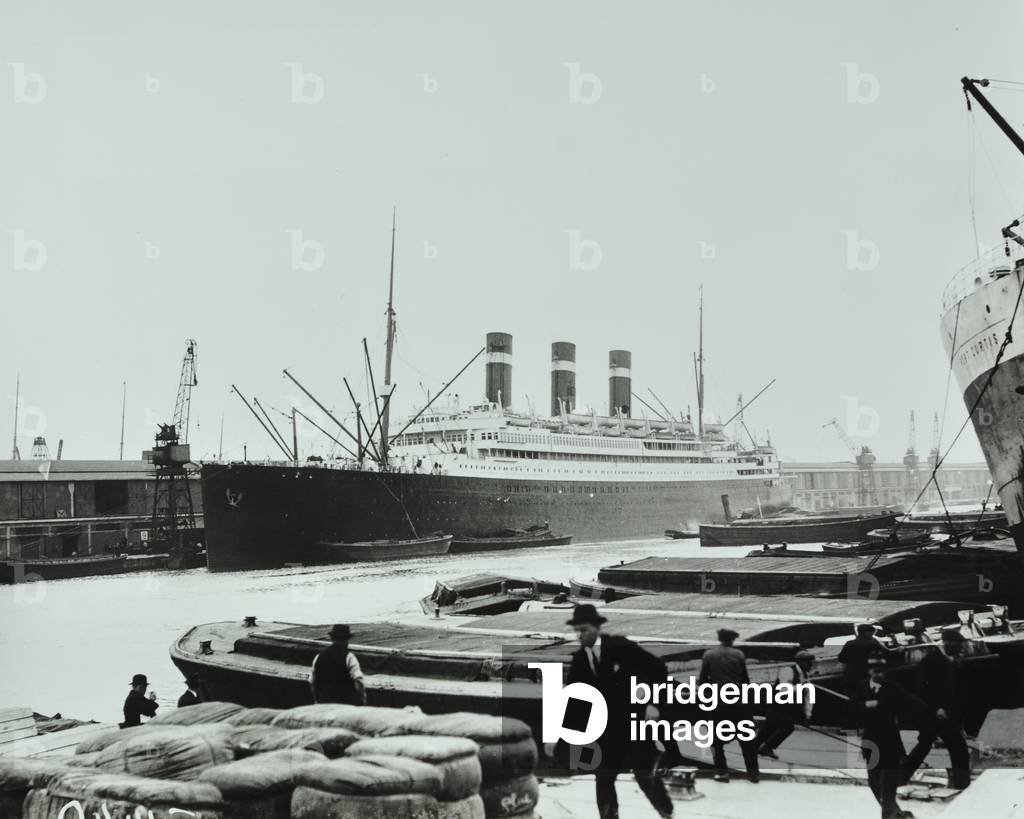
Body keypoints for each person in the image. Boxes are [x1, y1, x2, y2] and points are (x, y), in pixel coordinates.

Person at [563, 604, 674, 819]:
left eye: (583, 629)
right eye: (576, 630)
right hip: (606, 731)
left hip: (633, 723)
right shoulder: (579, 660)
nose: (579, 634)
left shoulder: (620, 646)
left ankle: (667, 813)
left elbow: (657, 669)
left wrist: (652, 704)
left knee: (644, 775)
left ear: (596, 628)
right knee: (604, 778)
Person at [851, 653, 926, 819]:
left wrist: (927, 716)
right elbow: (851, 709)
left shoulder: (893, 688)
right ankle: (897, 814)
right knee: (874, 784)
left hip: (890, 742)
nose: (880, 675)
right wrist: (865, 705)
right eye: (876, 671)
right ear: (869, 671)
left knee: (888, 786)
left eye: (883, 671)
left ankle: (889, 817)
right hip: (870, 743)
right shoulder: (862, 687)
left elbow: (909, 703)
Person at [902, 628, 972, 789]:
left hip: (943, 714)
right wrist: (937, 708)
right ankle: (962, 784)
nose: (960, 649)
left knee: (930, 745)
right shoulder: (932, 660)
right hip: (931, 712)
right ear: (947, 644)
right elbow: (922, 688)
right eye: (957, 646)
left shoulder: (948, 659)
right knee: (951, 746)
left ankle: (901, 776)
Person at [699, 628, 760, 783]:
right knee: (746, 739)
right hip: (739, 702)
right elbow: (745, 680)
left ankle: (722, 772)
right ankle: (753, 774)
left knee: (716, 741)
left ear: (719, 638)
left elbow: (703, 680)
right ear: (732, 640)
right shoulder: (739, 654)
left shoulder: (709, 655)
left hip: (718, 702)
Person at [757, 650, 815, 759]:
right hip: (776, 703)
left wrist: (808, 715)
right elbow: (784, 689)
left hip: (787, 706)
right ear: (800, 662)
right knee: (787, 727)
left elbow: (807, 697)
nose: (811, 665)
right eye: (808, 662)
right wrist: (801, 687)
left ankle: (754, 747)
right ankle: (767, 747)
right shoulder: (788, 671)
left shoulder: (806, 675)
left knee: (768, 727)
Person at [311, 624, 367, 705]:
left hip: (324, 705)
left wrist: (317, 700)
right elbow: (358, 681)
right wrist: (362, 699)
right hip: (344, 707)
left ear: (332, 639)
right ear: (346, 640)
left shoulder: (318, 657)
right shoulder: (349, 657)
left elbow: (313, 682)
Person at [838, 623, 884, 696]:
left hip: (850, 677)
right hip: (866, 678)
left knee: (853, 700)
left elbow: (841, 658)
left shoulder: (849, 643)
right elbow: (887, 654)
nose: (873, 635)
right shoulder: (873, 643)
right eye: (872, 633)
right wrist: (899, 649)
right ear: (866, 633)